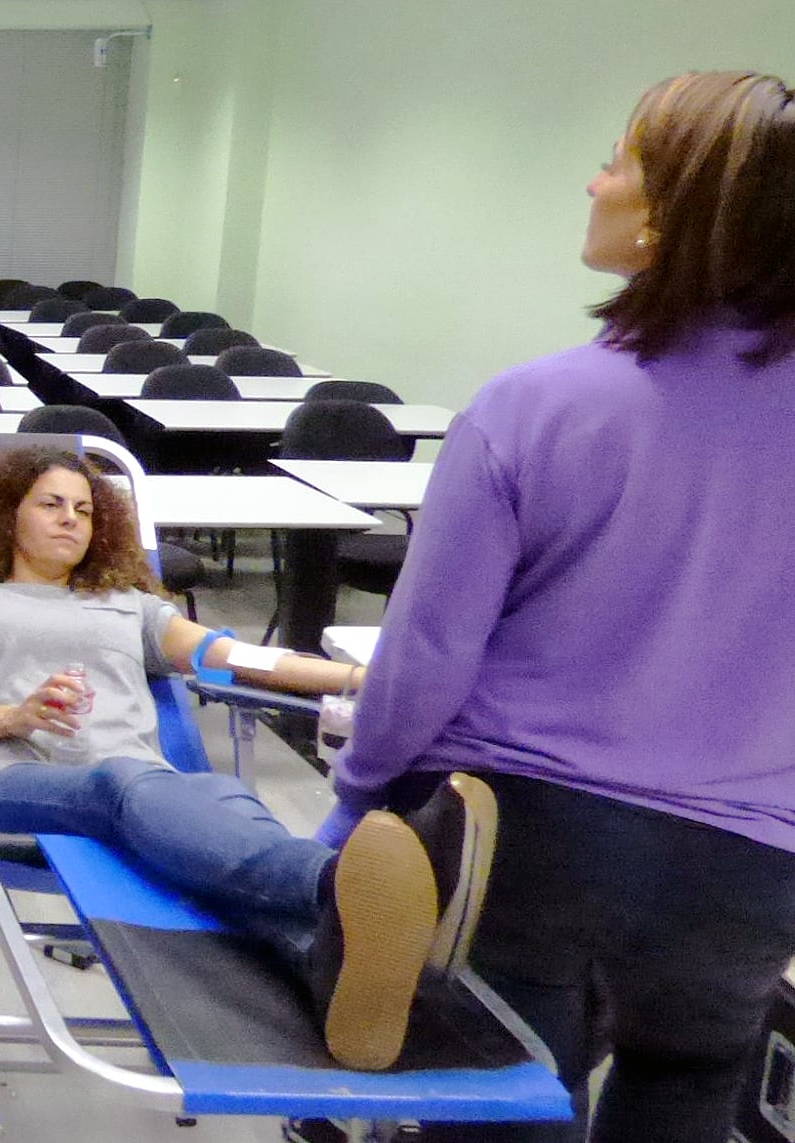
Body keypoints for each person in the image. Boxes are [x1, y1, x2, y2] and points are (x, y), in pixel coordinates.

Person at [324, 71, 795, 1142]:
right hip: (752, 866)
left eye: (616, 161)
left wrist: (359, 803)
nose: (591, 180)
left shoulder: (533, 408)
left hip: (534, 838)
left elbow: (425, 657)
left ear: (672, 213)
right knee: (682, 1101)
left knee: (503, 1111)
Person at [0, 445, 494, 1072]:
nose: (72, 519)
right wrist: (14, 716)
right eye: (51, 505)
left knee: (222, 804)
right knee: (127, 784)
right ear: (6, 515)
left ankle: (339, 968)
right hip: (10, 785)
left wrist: (354, 678)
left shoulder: (130, 604)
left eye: (85, 509)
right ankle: (339, 883)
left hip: (149, 795)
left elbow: (235, 658)